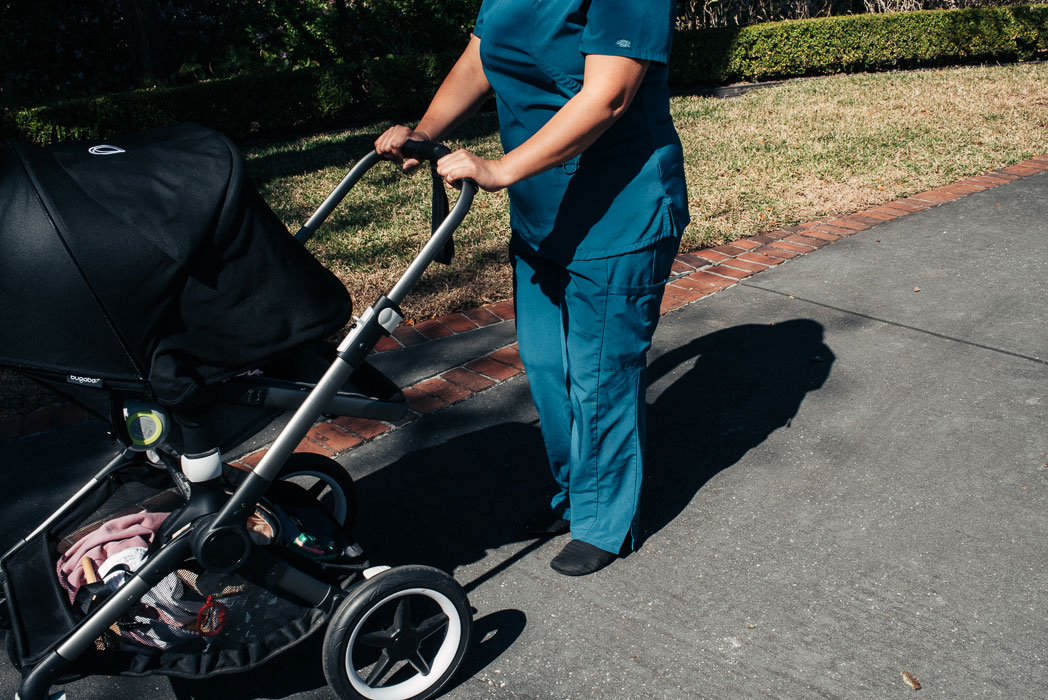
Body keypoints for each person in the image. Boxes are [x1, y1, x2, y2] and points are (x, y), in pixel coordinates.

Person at [376, 0, 689, 576]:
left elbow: (610, 95)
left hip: (619, 208)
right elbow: (480, 58)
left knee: (600, 373)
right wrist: (424, 133)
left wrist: (501, 169)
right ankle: (576, 495)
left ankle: (603, 521)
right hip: (542, 213)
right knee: (548, 368)